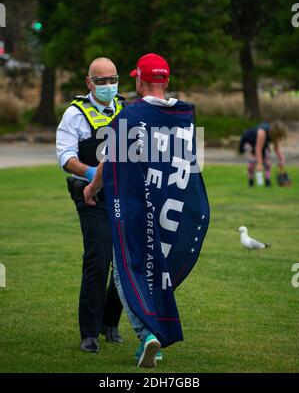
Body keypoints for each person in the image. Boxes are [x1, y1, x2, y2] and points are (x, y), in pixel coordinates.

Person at [83, 53, 210, 368]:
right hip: (170, 209)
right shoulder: (184, 114)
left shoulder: (129, 116)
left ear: (139, 79)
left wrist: (92, 187)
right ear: (166, 80)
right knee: (156, 272)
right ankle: (154, 331)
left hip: (135, 208)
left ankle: (147, 334)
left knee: (128, 271)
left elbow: (109, 160)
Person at [56, 57, 125, 353]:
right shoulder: (74, 114)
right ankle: (89, 332)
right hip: (90, 196)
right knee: (98, 258)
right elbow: (65, 157)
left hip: (124, 197)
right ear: (89, 83)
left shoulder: (126, 110)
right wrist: (91, 173)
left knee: (125, 262)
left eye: (113, 79)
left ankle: (110, 322)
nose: (108, 86)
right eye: (101, 81)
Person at [239, 120, 288, 187]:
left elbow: (276, 149)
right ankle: (251, 182)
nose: (279, 137)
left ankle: (268, 182)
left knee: (267, 163)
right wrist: (259, 164)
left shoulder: (274, 135)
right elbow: (258, 149)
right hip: (248, 142)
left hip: (261, 144)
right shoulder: (262, 132)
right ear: (276, 132)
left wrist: (282, 160)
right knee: (253, 162)